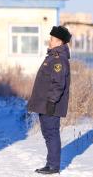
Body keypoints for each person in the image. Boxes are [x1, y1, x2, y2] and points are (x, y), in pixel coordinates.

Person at [27, 25, 72, 174]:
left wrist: (52, 102)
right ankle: (50, 163)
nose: (49, 41)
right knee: (48, 134)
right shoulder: (53, 57)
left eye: (52, 39)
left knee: (51, 133)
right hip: (45, 104)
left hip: (50, 105)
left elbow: (58, 84)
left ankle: (53, 166)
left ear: (59, 42)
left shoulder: (58, 60)